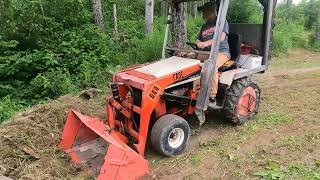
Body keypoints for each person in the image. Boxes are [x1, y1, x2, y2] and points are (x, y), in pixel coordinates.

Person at [196, 1, 230, 107]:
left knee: (212, 65)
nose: (203, 15)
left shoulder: (222, 22)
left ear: (212, 11)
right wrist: (198, 43)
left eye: (205, 12)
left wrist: (205, 43)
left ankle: (211, 97)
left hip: (221, 52)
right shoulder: (204, 26)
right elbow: (197, 40)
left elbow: (221, 38)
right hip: (207, 52)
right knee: (189, 60)